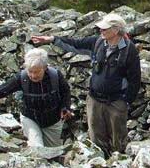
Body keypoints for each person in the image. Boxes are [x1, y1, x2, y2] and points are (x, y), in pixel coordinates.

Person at [32, 13, 141, 156]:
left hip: (116, 102)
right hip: (94, 99)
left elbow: (135, 79)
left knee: (118, 137)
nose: (101, 31)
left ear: (116, 30)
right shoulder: (97, 42)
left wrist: (125, 102)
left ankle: (117, 162)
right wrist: (52, 39)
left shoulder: (129, 50)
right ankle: (99, 162)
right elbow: (75, 43)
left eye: (105, 29)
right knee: (95, 135)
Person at [0, 48, 72, 147]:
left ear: (45, 68)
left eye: (36, 72)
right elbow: (0, 90)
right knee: (36, 146)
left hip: (53, 120)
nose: (32, 75)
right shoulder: (22, 77)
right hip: (30, 118)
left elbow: (66, 91)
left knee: (54, 152)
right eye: (30, 71)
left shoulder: (55, 76)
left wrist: (65, 107)